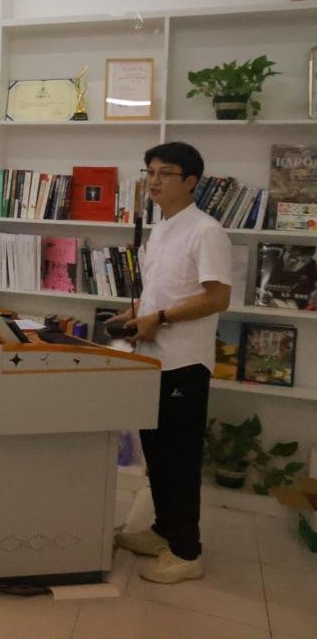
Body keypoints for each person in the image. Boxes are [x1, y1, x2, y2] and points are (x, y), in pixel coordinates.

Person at [110, 142, 231, 584]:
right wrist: (135, 313)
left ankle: (186, 552)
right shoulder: (161, 229)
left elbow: (217, 298)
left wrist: (158, 318)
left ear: (191, 181)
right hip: (153, 359)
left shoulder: (206, 231)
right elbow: (163, 290)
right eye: (150, 172)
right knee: (157, 454)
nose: (154, 181)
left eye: (166, 173)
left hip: (185, 363)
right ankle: (163, 530)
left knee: (180, 459)